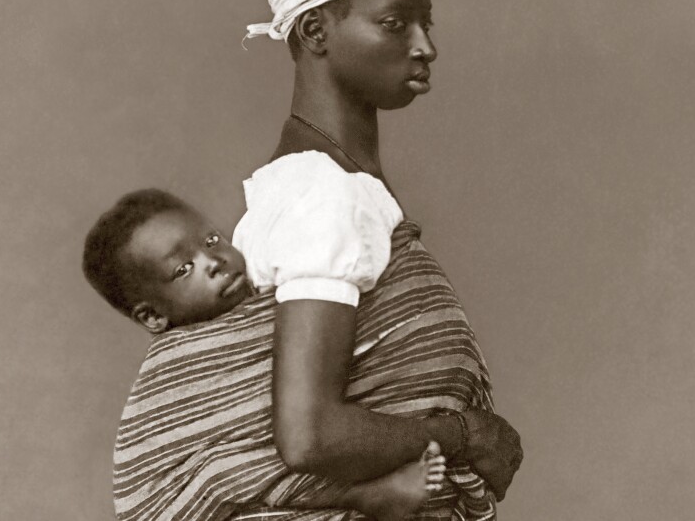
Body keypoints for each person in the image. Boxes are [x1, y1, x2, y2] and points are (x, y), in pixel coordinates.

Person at [237, 0, 523, 516]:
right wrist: (465, 433)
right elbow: (308, 434)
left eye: (425, 25)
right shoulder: (324, 195)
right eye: (395, 24)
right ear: (315, 31)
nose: (425, 47)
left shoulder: (335, 185)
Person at [83, 188, 448, 521]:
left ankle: (365, 497)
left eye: (211, 240)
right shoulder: (175, 367)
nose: (214, 261)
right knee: (226, 469)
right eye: (183, 269)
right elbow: (155, 486)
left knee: (293, 440)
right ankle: (362, 497)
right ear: (152, 316)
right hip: (217, 499)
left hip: (280, 487)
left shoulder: (278, 286)